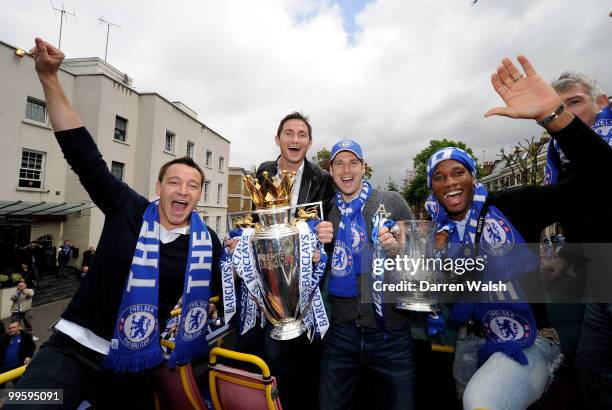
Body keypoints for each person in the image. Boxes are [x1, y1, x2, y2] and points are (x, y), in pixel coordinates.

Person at [8, 38, 223, 410]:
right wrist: (48, 77)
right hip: (70, 349)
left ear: (199, 195)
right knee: (23, 404)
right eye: (174, 182)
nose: (182, 191)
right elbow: (83, 154)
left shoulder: (207, 245)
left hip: (133, 364)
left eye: (193, 186)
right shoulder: (128, 207)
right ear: (159, 187)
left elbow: (237, 287)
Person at [428, 55, 612, 410]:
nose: (450, 181)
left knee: (480, 401)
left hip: (531, 339)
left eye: (459, 172)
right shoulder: (437, 231)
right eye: (439, 176)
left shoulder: (512, 205)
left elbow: (600, 182)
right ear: (432, 188)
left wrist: (554, 117)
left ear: (473, 177)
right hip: (467, 341)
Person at [231, 112, 334, 410]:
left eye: (302, 134)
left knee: (298, 363)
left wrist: (325, 237)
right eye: (289, 133)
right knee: (268, 359)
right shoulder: (262, 172)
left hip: (302, 286)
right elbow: (252, 222)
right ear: (278, 139)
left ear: (309, 142)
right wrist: (240, 241)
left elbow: (326, 229)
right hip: (265, 283)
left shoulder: (322, 180)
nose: (295, 139)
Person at [319, 139, 415, 410]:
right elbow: (315, 267)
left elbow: (418, 251)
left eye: (353, 163)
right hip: (340, 333)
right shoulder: (324, 212)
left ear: (364, 167)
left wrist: (398, 249)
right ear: (331, 170)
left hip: (392, 333)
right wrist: (315, 249)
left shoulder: (391, 201)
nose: (346, 170)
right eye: (339, 163)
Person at [544, 72, 612, 409]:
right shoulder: (556, 151)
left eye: (574, 103)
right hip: (600, 278)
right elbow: (579, 208)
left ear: (602, 102)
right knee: (590, 373)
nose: (566, 113)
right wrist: (569, 255)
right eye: (557, 107)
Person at [0, 322, 36, 388]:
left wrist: (28, 356)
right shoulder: (5, 337)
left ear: (19, 327)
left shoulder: (25, 336)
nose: (11, 329)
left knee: (19, 386)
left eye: (14, 327)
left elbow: (32, 346)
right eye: (10, 328)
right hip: (3, 367)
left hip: (17, 367)